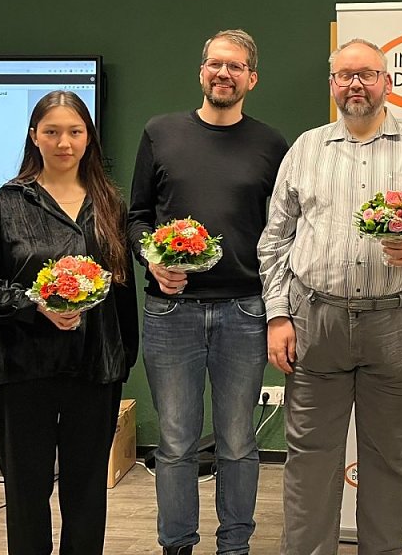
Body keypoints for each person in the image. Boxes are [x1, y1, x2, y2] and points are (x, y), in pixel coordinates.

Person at [258, 37, 402, 555]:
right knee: (310, 459)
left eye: (366, 74)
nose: (355, 85)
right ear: (332, 85)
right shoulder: (306, 148)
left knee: (390, 458)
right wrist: (277, 316)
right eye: (345, 75)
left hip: (397, 325)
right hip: (314, 322)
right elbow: (275, 240)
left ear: (386, 82)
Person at [129, 29, 289, 555]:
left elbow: (282, 231)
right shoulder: (160, 133)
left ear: (251, 79)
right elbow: (137, 217)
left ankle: (234, 546)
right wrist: (152, 258)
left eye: (236, 66)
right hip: (170, 311)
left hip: (245, 310)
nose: (224, 73)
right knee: (175, 441)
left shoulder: (271, 145)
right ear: (202, 71)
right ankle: (177, 545)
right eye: (216, 64)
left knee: (238, 441)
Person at [0, 90, 138, 555]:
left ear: (88, 137)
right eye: (52, 131)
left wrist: (122, 360)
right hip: (22, 370)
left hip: (94, 370)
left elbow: (122, 291)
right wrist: (32, 303)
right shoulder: (7, 203)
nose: (64, 142)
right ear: (34, 136)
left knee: (87, 494)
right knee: (26, 493)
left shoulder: (109, 203)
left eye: (75, 131)